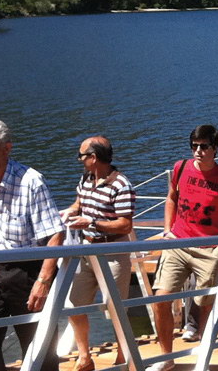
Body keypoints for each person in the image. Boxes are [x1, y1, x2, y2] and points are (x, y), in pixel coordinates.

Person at [0, 119, 65, 371]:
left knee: (39, 344)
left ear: (7, 148)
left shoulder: (31, 181)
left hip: (27, 271)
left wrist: (43, 281)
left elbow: (55, 235)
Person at [151, 124, 218, 371]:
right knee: (160, 299)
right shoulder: (180, 168)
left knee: (205, 305)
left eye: (204, 146)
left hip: (208, 249)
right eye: (194, 146)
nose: (198, 151)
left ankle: (203, 355)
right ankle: (166, 358)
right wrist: (167, 230)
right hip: (178, 243)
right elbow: (171, 197)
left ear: (215, 148)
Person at [59, 136, 135, 371]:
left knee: (116, 308)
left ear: (93, 157)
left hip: (112, 252)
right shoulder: (86, 178)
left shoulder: (121, 185)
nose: (79, 160)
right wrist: (69, 212)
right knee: (74, 305)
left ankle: (123, 356)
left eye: (81, 156)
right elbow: (79, 203)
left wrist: (92, 222)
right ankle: (85, 358)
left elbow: (125, 225)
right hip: (85, 249)